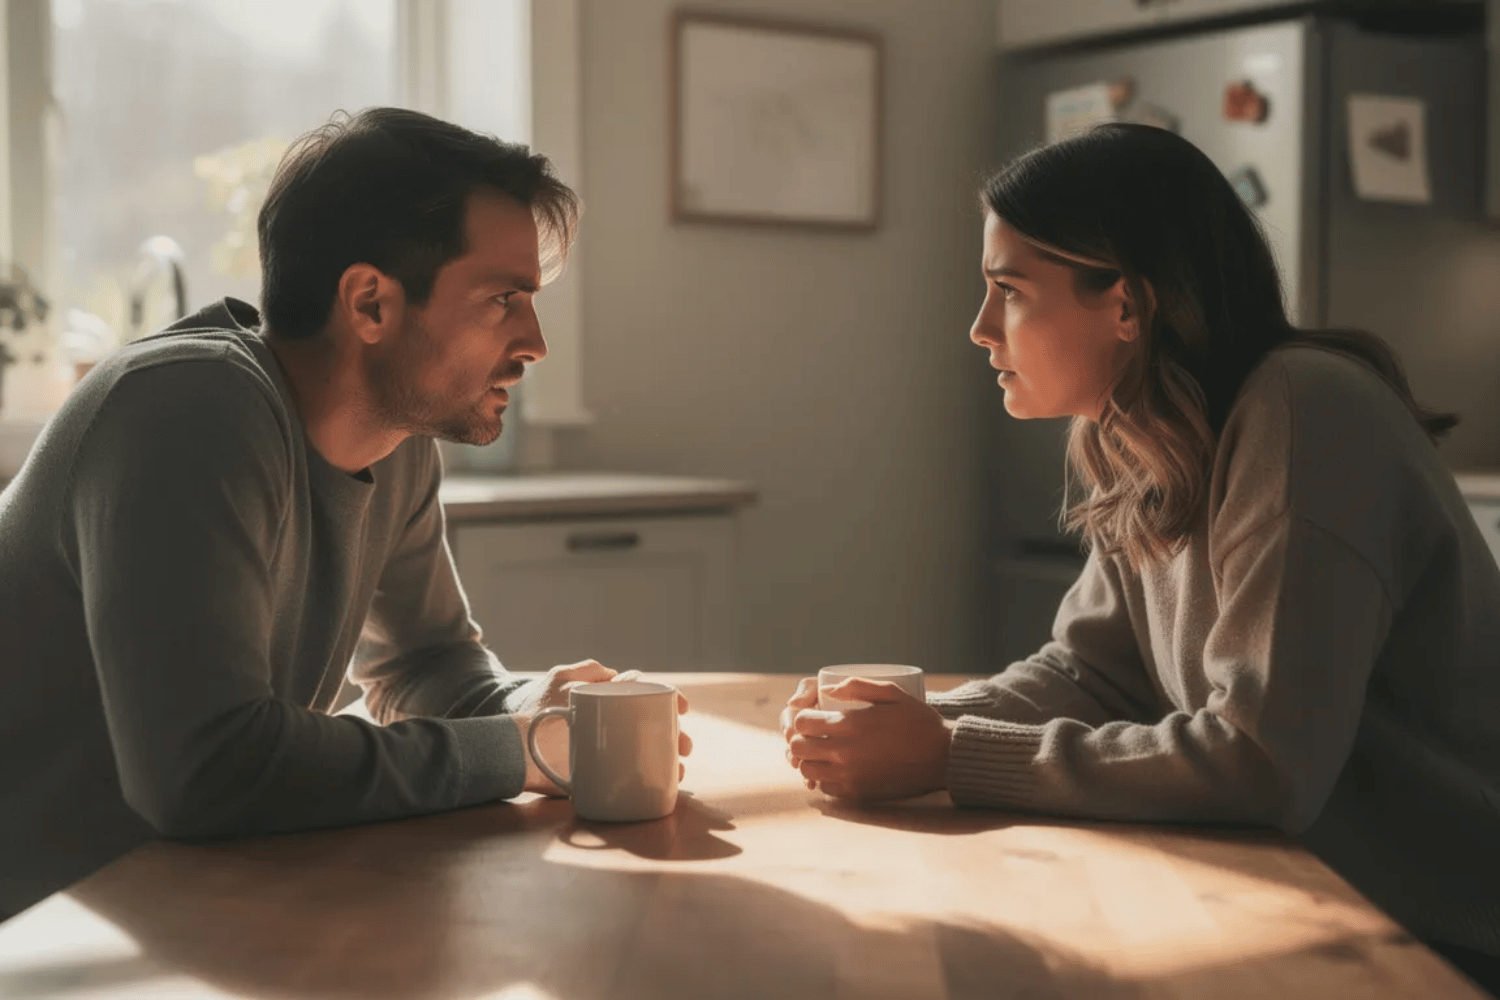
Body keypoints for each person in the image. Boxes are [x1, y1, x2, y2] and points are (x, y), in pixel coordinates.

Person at [781, 123, 1500, 991]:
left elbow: (1262, 763)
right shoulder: (1138, 426)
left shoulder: (1305, 413)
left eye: (1009, 290)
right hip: (1299, 894)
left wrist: (944, 756)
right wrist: (919, 719)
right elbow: (1092, 672)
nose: (978, 328)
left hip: (1441, 937)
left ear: (1125, 305)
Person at [0, 107, 689, 921]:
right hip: (41, 930)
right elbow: (207, 770)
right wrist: (524, 750)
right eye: (504, 298)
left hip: (170, 905)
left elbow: (423, 667)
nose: (535, 341)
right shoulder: (184, 408)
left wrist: (535, 706)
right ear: (370, 304)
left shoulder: (397, 443)